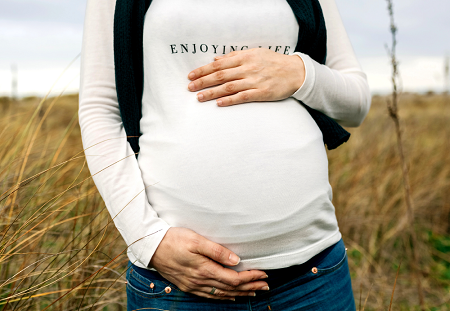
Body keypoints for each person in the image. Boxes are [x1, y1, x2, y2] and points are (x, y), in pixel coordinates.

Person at [79, 0, 371, 310]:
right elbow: (100, 110)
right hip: (178, 284)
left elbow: (356, 103)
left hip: (313, 276)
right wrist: (148, 241)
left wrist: (300, 72)